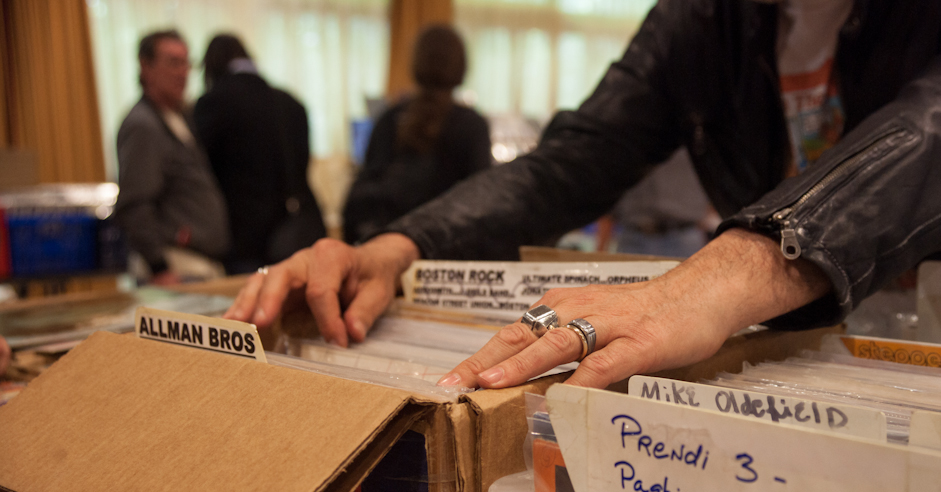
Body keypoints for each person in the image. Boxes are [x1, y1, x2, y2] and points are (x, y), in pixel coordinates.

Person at [227, 0, 941, 391]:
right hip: (800, 350)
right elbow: (568, 164)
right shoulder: (702, 19)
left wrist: (709, 283)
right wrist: (395, 248)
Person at [342, 25, 491, 244]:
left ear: (415, 65)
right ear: (461, 67)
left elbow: (358, 199)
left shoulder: (389, 119)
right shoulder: (472, 125)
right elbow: (483, 203)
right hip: (449, 249)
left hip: (388, 246)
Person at [194, 34, 326, 274]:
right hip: (297, 229)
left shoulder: (213, 103)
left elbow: (201, 173)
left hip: (245, 239)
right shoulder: (291, 102)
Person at [114, 30, 230, 285]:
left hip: (198, 263)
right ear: (146, 67)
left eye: (186, 63)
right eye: (173, 63)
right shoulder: (143, 125)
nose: (183, 72)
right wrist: (159, 266)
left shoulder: (179, 116)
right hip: (173, 266)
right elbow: (134, 204)